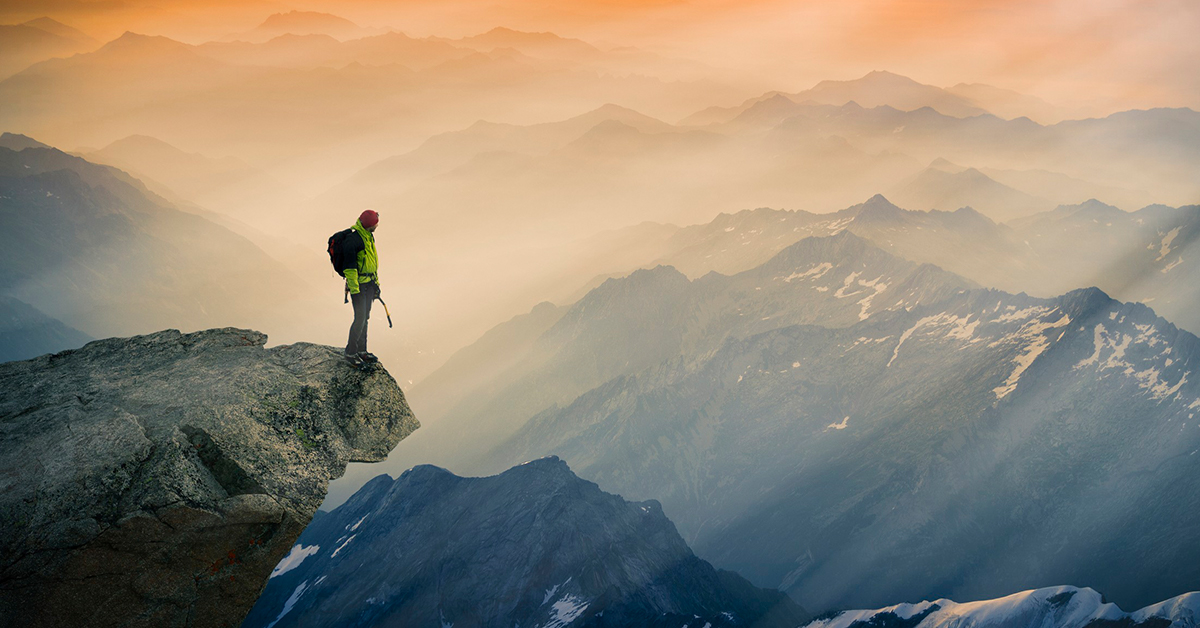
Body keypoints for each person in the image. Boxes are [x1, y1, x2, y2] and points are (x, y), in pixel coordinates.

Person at [343, 209, 381, 364]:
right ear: (370, 225)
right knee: (360, 318)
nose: (377, 226)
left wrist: (376, 284)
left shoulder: (368, 237)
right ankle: (350, 353)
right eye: (376, 223)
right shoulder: (354, 240)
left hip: (369, 284)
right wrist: (354, 289)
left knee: (365, 317)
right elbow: (349, 268)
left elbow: (372, 263)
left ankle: (361, 350)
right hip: (359, 286)